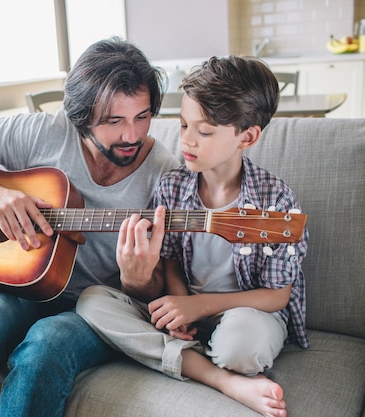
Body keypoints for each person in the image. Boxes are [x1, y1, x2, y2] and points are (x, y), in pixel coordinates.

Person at [0, 37, 179, 417]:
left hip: (95, 309)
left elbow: (157, 291)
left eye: (142, 116)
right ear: (82, 116)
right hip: (21, 289)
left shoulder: (164, 175)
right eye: (114, 121)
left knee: (47, 342)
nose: (132, 136)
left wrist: (138, 280)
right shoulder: (44, 132)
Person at [76, 55, 309, 417]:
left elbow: (278, 295)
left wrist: (199, 307)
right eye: (183, 125)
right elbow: (170, 259)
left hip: (247, 311)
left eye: (204, 131)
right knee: (92, 300)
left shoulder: (275, 199)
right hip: (187, 303)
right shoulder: (172, 185)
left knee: (241, 348)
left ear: (246, 136)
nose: (187, 140)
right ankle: (218, 376)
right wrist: (180, 307)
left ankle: (196, 362)